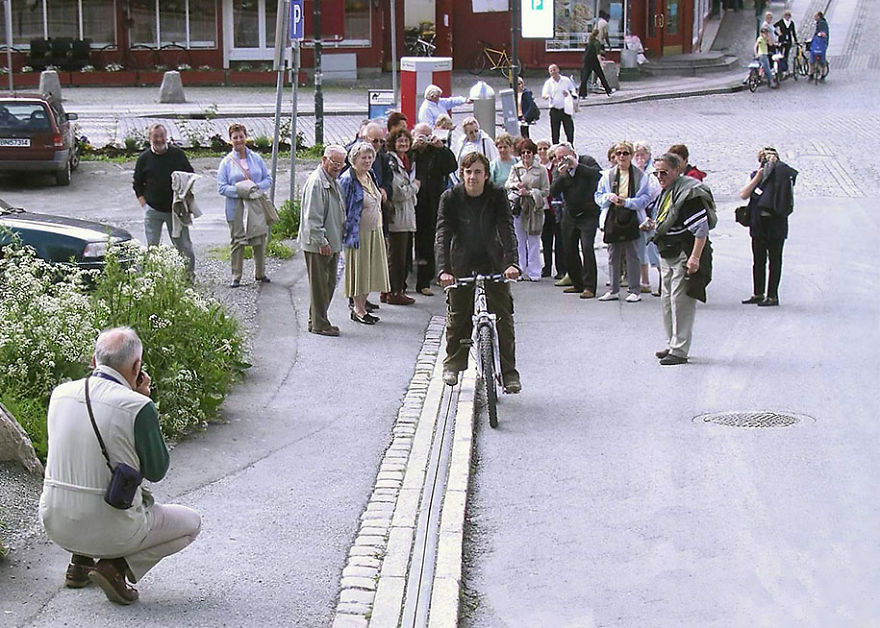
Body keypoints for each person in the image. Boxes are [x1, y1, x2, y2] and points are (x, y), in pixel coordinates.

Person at [39, 327, 201, 605]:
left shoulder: (59, 394)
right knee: (191, 524)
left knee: (81, 468)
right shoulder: (138, 406)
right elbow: (156, 470)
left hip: (55, 523)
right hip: (114, 531)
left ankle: (79, 563)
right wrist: (146, 401)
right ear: (137, 366)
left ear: (94, 361)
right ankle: (115, 567)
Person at [436, 151, 521, 391]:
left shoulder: (496, 195)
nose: (473, 177)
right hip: (460, 261)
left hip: (492, 260)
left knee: (503, 317)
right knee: (458, 315)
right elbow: (443, 234)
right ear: (462, 174)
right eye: (468, 172)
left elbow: (507, 229)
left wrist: (511, 264)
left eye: (478, 172)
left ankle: (509, 373)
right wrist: (444, 269)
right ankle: (453, 363)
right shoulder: (450, 197)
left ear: (486, 175)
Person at [649, 153, 716, 365]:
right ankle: (672, 343)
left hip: (683, 254)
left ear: (677, 170)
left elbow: (701, 229)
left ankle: (679, 350)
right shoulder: (668, 192)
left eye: (664, 172)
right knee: (667, 301)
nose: (660, 176)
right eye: (657, 173)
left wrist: (695, 258)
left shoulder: (689, 195)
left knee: (681, 303)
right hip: (666, 253)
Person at [133, 123, 195, 277]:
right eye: (155, 137)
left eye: (162, 136)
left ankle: (188, 278)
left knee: (184, 247)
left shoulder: (177, 155)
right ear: (150, 138)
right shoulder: (144, 159)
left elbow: (191, 176)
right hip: (153, 210)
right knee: (152, 247)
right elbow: (137, 184)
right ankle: (152, 279)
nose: (159, 140)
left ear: (166, 137)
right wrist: (144, 206)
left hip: (175, 210)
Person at [738, 147, 797, 307]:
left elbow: (744, 194)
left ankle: (758, 293)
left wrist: (757, 177)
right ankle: (772, 296)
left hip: (759, 223)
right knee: (775, 260)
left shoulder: (758, 175)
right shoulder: (786, 176)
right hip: (778, 222)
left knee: (759, 260)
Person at [595, 141, 653, 302]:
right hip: (612, 216)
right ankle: (613, 289)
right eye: (619, 153)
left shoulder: (641, 176)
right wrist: (608, 198)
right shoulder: (607, 175)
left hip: (632, 216)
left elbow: (646, 198)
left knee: (633, 254)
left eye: (625, 153)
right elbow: (598, 196)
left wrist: (627, 202)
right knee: (613, 254)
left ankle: (635, 289)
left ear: (631, 155)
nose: (621, 156)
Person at [217, 123, 273, 288]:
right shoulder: (226, 163)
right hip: (236, 207)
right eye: (235, 137)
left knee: (259, 238)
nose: (239, 140)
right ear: (231, 140)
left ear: (245, 137)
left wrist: (254, 189)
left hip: (255, 204)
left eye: (241, 136)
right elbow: (221, 187)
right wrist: (241, 190)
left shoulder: (256, 158)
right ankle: (236, 276)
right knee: (237, 240)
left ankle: (260, 273)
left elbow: (267, 179)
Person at [339, 142, 390, 324]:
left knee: (371, 272)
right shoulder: (348, 179)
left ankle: (362, 307)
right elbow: (341, 207)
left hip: (375, 230)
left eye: (370, 157)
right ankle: (358, 310)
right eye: (364, 157)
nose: (367, 161)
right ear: (354, 159)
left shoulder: (370, 175)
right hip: (358, 233)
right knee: (359, 273)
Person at [299, 145, 347, 336]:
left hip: (331, 241)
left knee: (327, 283)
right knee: (320, 286)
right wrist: (322, 241)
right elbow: (313, 217)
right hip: (320, 244)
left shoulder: (331, 180)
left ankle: (318, 320)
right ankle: (319, 323)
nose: (337, 167)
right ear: (324, 160)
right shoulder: (317, 183)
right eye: (334, 162)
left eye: (341, 164)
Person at [550, 143, 603, 299]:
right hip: (570, 213)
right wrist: (562, 176)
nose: (561, 161)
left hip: (588, 213)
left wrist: (577, 166)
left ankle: (589, 286)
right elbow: (553, 191)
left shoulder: (587, 161)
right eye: (558, 158)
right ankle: (577, 282)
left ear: (572, 153)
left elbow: (598, 175)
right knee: (569, 249)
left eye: (564, 157)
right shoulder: (558, 169)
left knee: (587, 247)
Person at [411, 123, 457, 296]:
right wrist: (412, 148)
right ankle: (402, 281)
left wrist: (442, 148)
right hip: (411, 202)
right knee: (406, 243)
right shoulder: (410, 151)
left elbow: (452, 166)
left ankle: (425, 281)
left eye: (427, 136)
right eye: (420, 136)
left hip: (431, 203)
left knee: (428, 242)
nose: (424, 140)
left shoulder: (436, 152)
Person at [505, 138, 549, 282]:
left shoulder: (541, 169)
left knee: (534, 240)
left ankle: (535, 272)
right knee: (519, 240)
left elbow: (546, 191)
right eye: (523, 153)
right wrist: (516, 185)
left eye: (528, 152)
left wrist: (530, 192)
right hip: (519, 208)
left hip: (534, 209)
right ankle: (520, 269)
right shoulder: (516, 168)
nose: (525, 155)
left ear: (533, 153)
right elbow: (507, 184)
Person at [386, 127, 420, 305]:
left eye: (406, 140)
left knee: (401, 255)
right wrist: (415, 187)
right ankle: (394, 292)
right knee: (396, 257)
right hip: (398, 216)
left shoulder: (406, 161)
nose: (404, 144)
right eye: (400, 141)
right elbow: (398, 191)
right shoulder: (393, 162)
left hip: (406, 214)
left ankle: (393, 289)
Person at [633, 140, 663, 295]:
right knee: (640, 248)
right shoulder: (634, 170)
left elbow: (652, 191)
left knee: (653, 247)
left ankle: (662, 279)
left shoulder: (652, 172)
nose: (639, 158)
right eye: (637, 155)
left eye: (642, 155)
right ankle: (644, 280)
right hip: (639, 212)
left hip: (652, 211)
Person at [538, 140, 565, 279]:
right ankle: (547, 267)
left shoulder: (556, 169)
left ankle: (560, 268)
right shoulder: (539, 168)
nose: (542, 151)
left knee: (559, 239)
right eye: (540, 149)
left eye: (545, 149)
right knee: (546, 239)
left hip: (557, 208)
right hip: (544, 208)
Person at [541, 64, 577, 144]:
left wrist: (568, 93)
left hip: (565, 109)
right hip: (554, 109)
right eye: (551, 71)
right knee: (555, 131)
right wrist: (547, 96)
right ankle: (555, 146)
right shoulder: (548, 83)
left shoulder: (566, 80)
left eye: (554, 69)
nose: (553, 72)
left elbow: (573, 90)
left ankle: (570, 145)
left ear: (558, 70)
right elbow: (544, 94)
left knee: (569, 130)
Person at [579, 28, 614, 98]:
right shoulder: (597, 42)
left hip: (586, 60)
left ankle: (582, 94)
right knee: (601, 76)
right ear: (598, 34)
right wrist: (601, 62)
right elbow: (597, 54)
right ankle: (608, 91)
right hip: (594, 61)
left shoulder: (590, 41)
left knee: (585, 78)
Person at [774, 10, 798, 76]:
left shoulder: (791, 23)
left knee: (786, 54)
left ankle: (785, 68)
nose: (787, 17)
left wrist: (796, 40)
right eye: (786, 16)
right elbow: (773, 27)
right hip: (781, 40)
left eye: (788, 16)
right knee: (780, 54)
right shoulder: (781, 22)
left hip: (788, 40)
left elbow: (793, 32)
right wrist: (778, 34)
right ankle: (780, 68)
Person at [809, 11, 829, 82]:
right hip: (821, 43)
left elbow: (823, 33)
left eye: (815, 16)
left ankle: (812, 75)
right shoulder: (821, 22)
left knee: (813, 60)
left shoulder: (821, 23)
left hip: (820, 44)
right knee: (820, 60)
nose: (814, 17)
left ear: (819, 16)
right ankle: (821, 75)